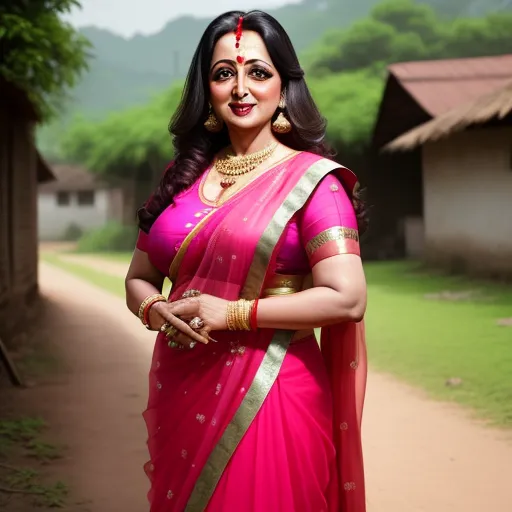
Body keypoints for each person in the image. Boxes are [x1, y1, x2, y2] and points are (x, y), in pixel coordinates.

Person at [125, 10, 368, 512]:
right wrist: (154, 309)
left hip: (271, 387)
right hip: (183, 384)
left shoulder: (314, 183)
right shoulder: (183, 175)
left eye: (258, 72)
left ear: (284, 87)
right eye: (223, 73)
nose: (241, 88)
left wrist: (233, 312)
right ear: (206, 89)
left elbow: (347, 298)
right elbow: (140, 278)